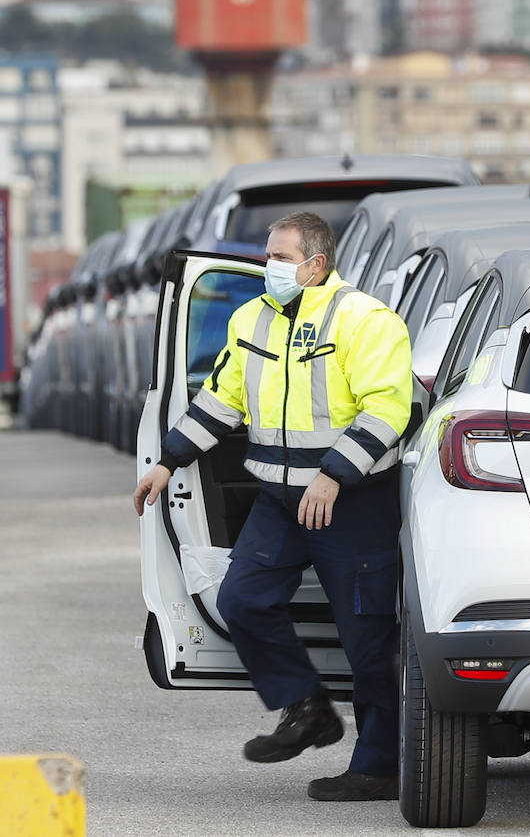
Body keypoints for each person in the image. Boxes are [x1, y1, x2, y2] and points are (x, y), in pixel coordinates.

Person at [133, 211, 413, 802]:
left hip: (352, 502)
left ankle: (379, 764)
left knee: (367, 639)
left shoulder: (366, 320)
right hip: (282, 500)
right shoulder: (250, 319)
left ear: (317, 263)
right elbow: (222, 399)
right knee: (241, 599)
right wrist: (168, 460)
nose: (270, 265)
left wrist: (334, 475)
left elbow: (387, 409)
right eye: (269, 254)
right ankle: (306, 708)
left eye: (282, 257)